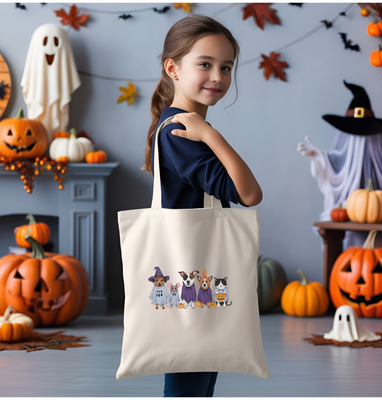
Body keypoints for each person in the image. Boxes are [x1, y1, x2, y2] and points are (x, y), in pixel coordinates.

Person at [141, 14, 262, 397]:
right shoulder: (183, 131)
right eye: (204, 64)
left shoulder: (175, 124)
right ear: (172, 68)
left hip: (192, 271)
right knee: (190, 372)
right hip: (191, 273)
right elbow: (249, 194)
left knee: (196, 369)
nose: (218, 76)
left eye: (226, 67)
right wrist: (211, 134)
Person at [297, 80, 382, 249]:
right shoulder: (344, 150)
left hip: (379, 213)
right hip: (349, 211)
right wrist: (318, 156)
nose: (360, 140)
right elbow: (336, 161)